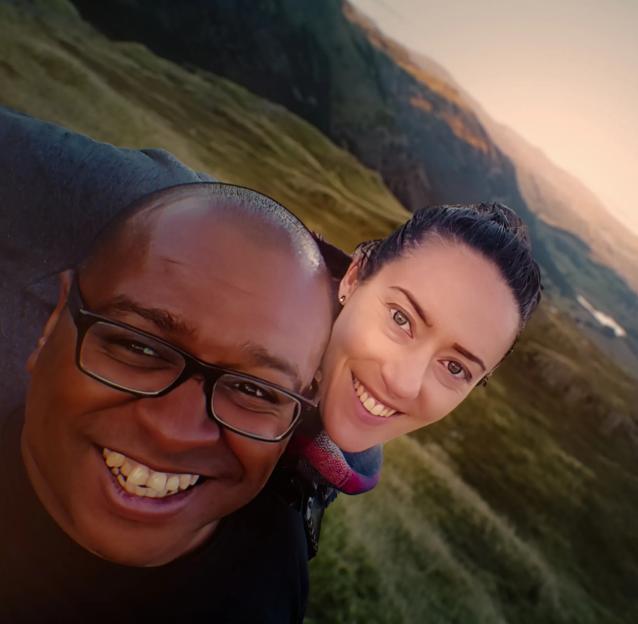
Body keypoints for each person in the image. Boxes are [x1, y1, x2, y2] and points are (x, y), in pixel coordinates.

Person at [1, 179, 336, 622]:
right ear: (51, 327)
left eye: (255, 390)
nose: (174, 429)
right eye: (139, 346)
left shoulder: (280, 549)